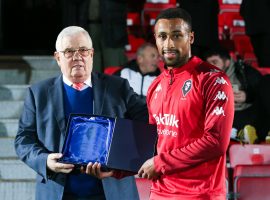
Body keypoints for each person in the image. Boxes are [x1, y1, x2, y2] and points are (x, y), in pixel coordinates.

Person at [88, 8, 234, 199]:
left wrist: (160, 163)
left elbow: (215, 142)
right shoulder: (156, 85)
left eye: (177, 35)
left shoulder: (213, 80)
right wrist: (116, 169)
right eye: (162, 36)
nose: (169, 43)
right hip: (160, 193)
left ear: (190, 37)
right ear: (155, 39)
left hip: (200, 194)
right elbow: (152, 144)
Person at [14, 26, 148, 200]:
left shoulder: (118, 87)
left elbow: (145, 124)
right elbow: (23, 140)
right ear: (57, 57)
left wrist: (118, 165)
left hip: (112, 191)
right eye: (69, 51)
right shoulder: (38, 93)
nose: (78, 57)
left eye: (83, 50)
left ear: (92, 54)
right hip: (58, 192)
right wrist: (45, 161)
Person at [204, 48, 262, 132]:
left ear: (227, 62)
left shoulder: (244, 70)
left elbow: (260, 91)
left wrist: (247, 95)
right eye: (209, 63)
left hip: (247, 112)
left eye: (215, 62)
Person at [240, 0, 270, 67]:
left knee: (261, 59)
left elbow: (242, 10)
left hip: (253, 29)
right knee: (266, 60)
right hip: (266, 29)